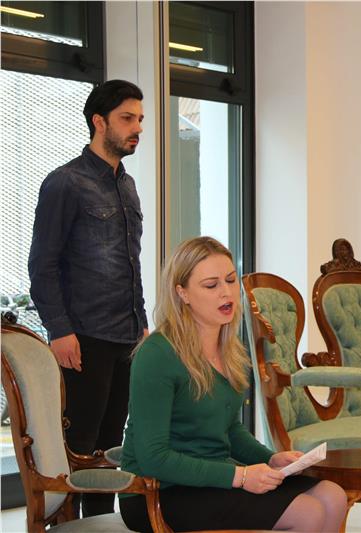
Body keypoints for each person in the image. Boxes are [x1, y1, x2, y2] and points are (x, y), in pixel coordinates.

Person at [120, 237, 347, 532]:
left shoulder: (230, 350)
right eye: (211, 285)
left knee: (333, 496)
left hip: (214, 478)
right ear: (182, 293)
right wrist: (240, 477)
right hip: (158, 491)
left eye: (229, 280)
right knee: (308, 512)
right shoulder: (157, 354)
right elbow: (153, 458)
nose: (226, 292)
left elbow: (229, 429)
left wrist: (270, 459)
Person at [28, 79, 148, 517]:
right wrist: (59, 331)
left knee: (111, 447)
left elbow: (131, 263)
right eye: (127, 118)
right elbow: (42, 265)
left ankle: (101, 524)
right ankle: (69, 525)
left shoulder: (127, 185)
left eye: (140, 119)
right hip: (83, 339)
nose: (137, 128)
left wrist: (142, 323)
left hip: (126, 337)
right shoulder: (65, 183)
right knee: (78, 447)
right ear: (99, 122)